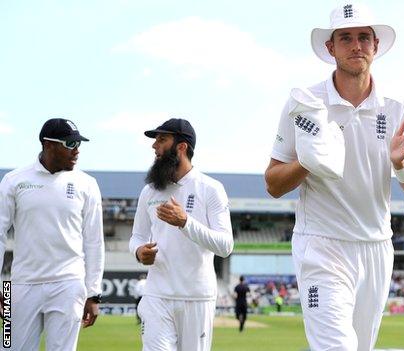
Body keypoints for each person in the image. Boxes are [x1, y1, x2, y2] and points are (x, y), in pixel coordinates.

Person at [265, 3, 404, 350]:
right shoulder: (305, 104)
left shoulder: (396, 108)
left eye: (364, 38)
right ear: (331, 48)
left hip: (376, 247)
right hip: (321, 244)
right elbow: (273, 183)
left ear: (375, 46)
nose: (356, 45)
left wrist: (402, 166)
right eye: (346, 38)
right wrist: (310, 160)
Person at [129, 118, 234, 351]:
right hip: (157, 295)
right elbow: (137, 236)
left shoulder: (210, 188)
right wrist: (138, 251)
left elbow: (225, 246)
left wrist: (185, 222)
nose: (154, 146)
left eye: (161, 139)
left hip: (197, 297)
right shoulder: (149, 191)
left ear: (181, 147)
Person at [0, 118, 104, 351]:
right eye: (70, 144)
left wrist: (94, 292)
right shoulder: (14, 180)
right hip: (21, 284)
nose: (76, 151)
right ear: (48, 145)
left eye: (78, 144)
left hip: (69, 284)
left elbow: (94, 241)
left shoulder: (87, 184)